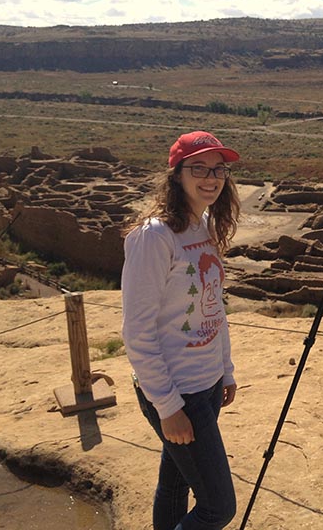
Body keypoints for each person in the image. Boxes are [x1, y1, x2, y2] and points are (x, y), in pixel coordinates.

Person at [122, 130, 241, 530]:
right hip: (178, 391)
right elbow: (137, 332)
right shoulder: (154, 237)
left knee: (174, 486)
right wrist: (168, 407)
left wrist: (224, 369)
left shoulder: (203, 225)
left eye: (218, 169)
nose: (211, 178)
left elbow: (214, 307)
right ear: (176, 174)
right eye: (199, 169)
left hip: (205, 385)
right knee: (218, 507)